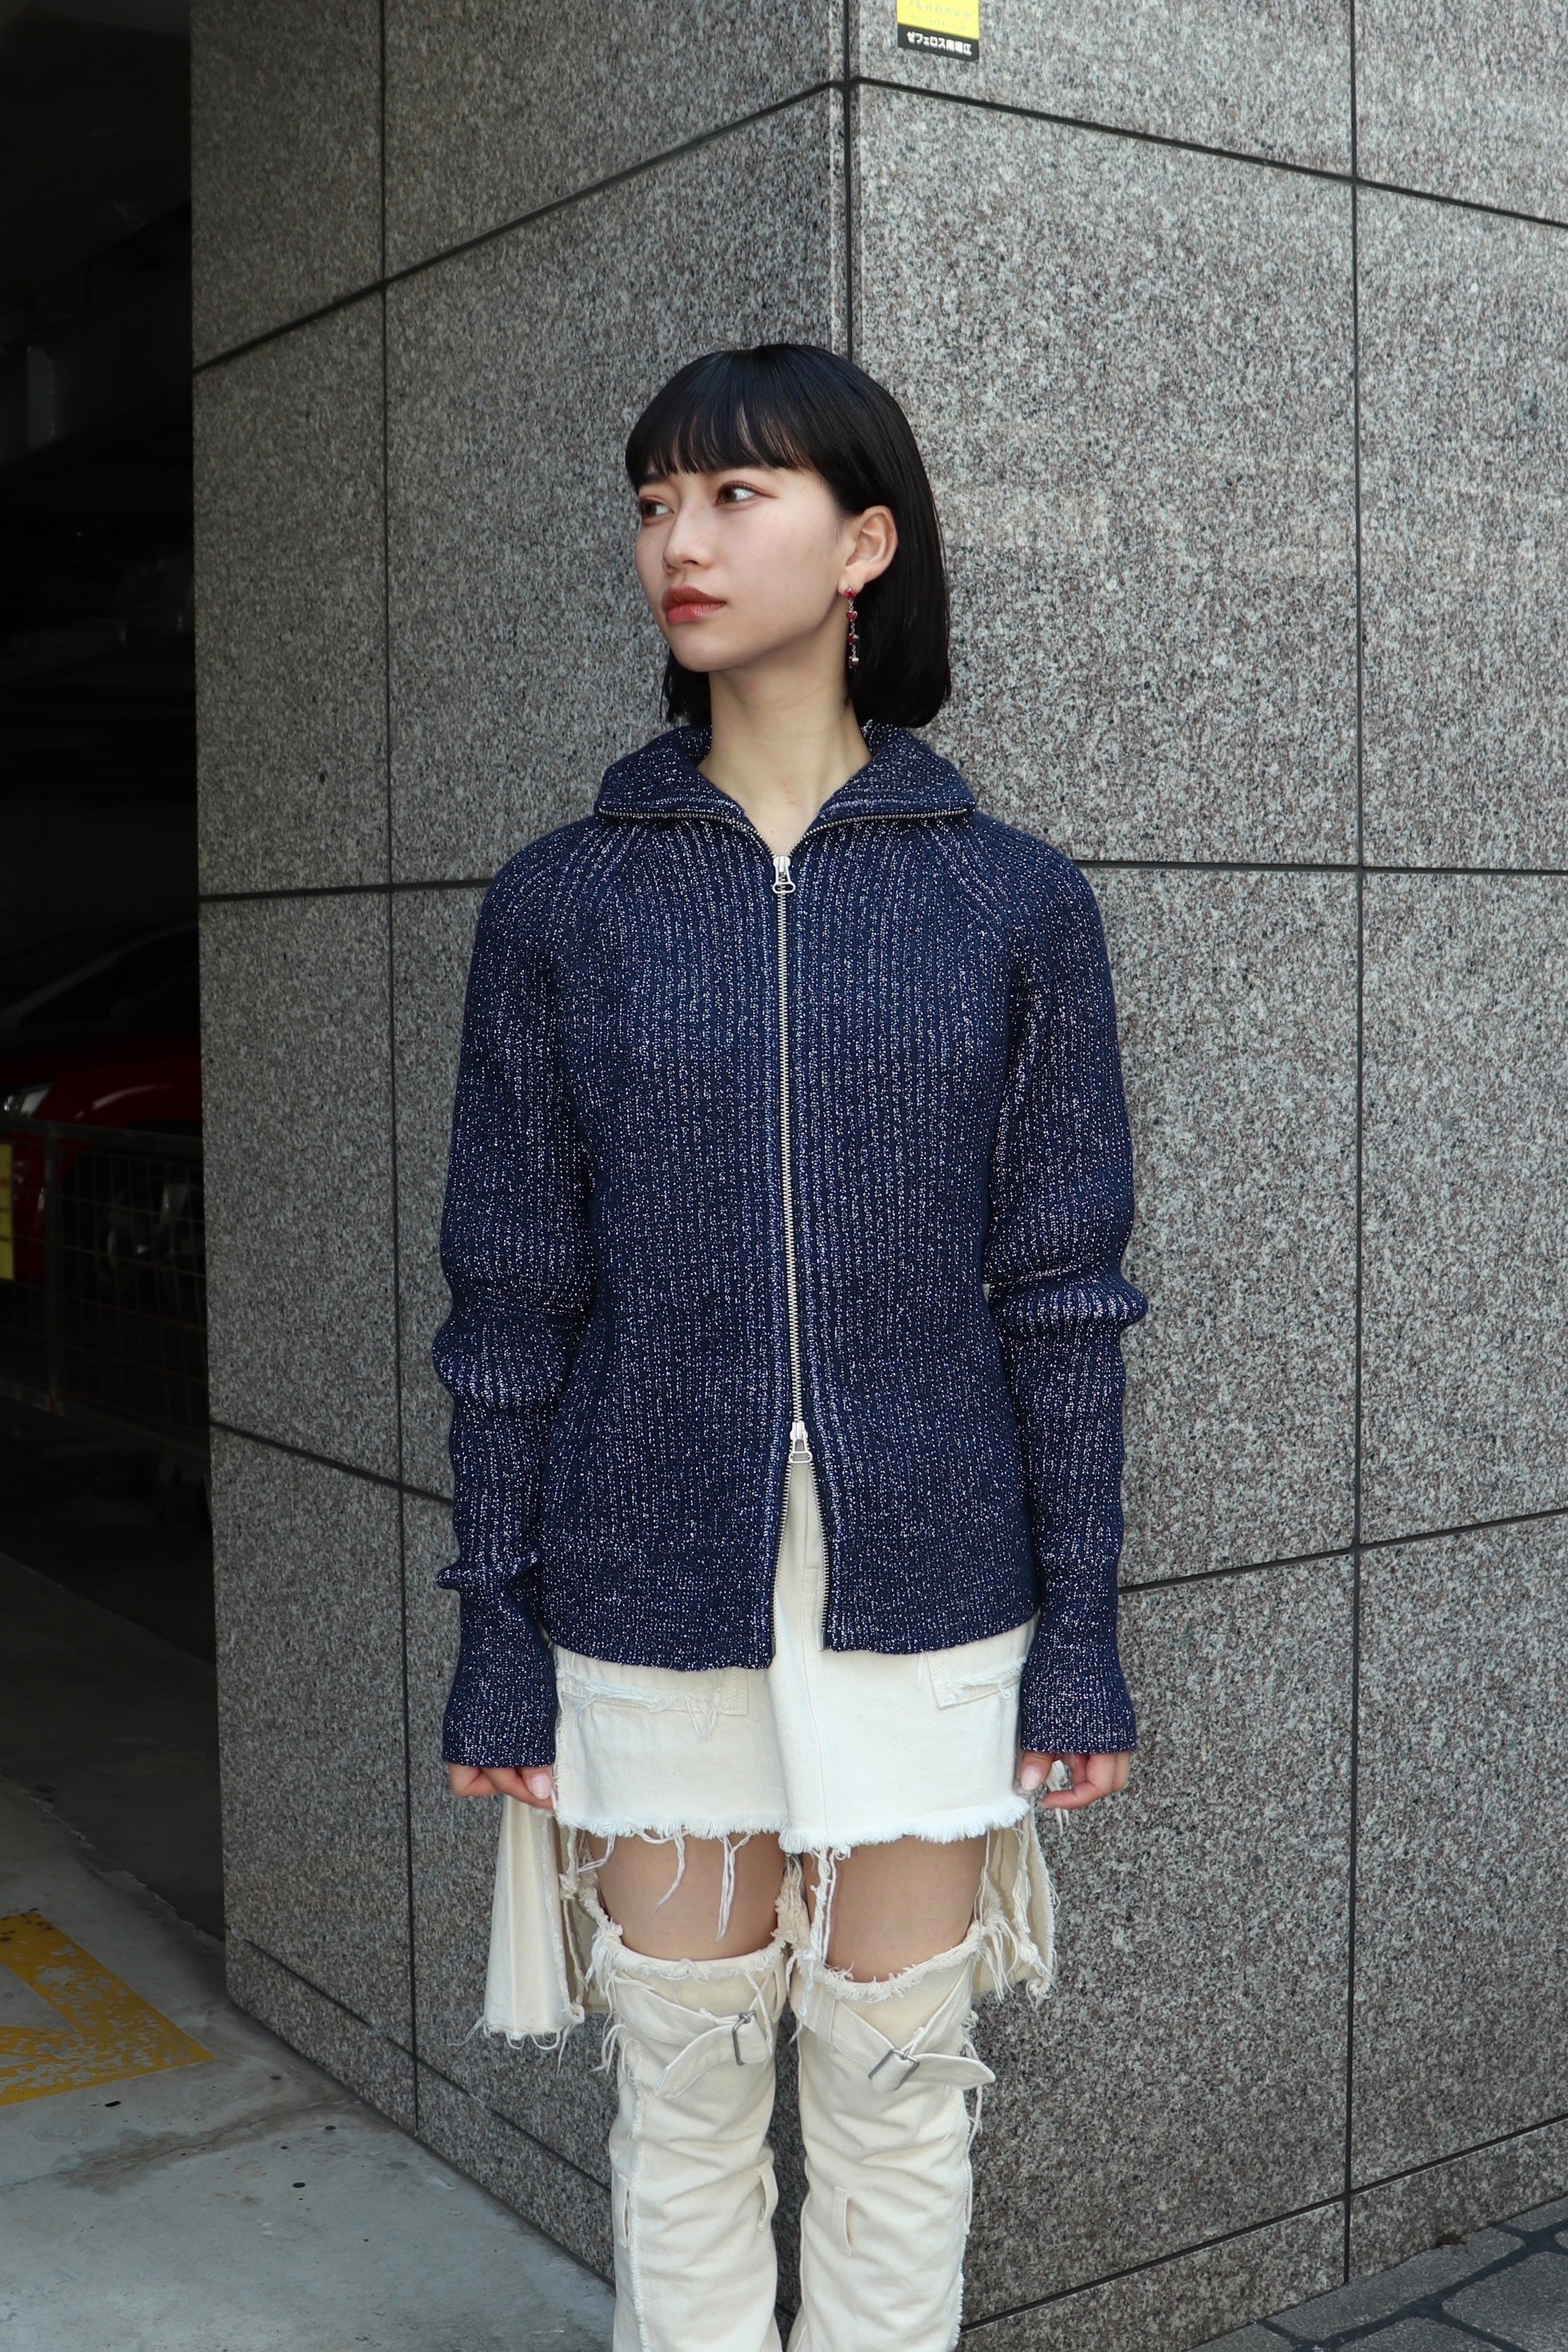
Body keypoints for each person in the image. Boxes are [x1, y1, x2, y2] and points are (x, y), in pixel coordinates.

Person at [432, 342, 1146, 2352]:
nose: (678, 538)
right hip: (644, 1580)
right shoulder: (563, 903)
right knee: (678, 2093)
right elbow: (507, 1302)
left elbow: (1063, 1294)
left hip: (928, 1584)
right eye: (653, 501)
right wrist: (497, 1629)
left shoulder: (1007, 900)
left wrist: (1080, 1629)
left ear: (863, 544)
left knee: (899, 2087)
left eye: (734, 495)